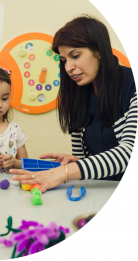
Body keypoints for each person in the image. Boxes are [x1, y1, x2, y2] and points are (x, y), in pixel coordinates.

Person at [10, 15, 137, 192]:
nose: (68, 67)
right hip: (99, 191)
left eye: (75, 56)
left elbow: (128, 152)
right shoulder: (77, 95)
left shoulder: (132, 86)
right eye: (64, 60)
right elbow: (85, 159)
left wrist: (64, 172)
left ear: (99, 50)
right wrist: (77, 162)